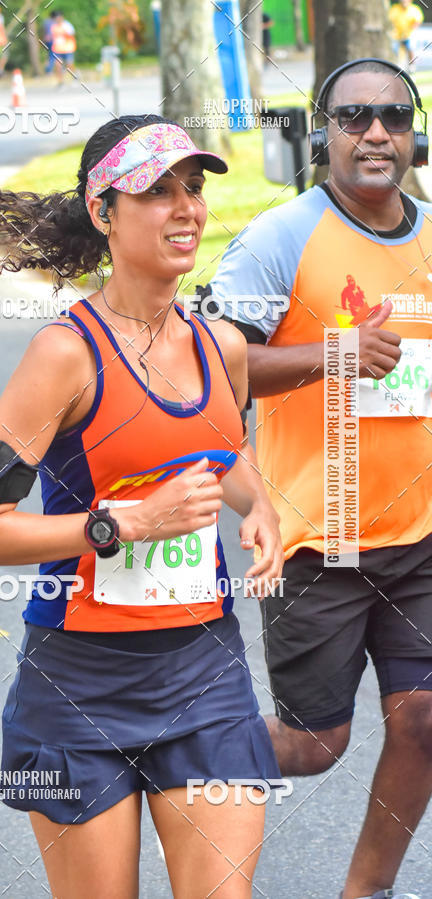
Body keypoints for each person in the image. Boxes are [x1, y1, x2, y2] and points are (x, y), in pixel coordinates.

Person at [0, 114, 284, 898]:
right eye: (156, 192)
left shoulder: (219, 345)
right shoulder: (64, 354)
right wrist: (121, 523)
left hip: (206, 676)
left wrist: (257, 505)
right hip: (77, 690)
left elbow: (222, 445)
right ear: (103, 212)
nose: (187, 208)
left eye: (192, 189)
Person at [208, 58, 432, 899]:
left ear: (412, 132)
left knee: (425, 720)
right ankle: (176, 755)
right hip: (319, 535)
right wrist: (331, 354)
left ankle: (361, 894)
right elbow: (213, 369)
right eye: (354, 117)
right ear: (321, 133)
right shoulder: (280, 236)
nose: (376, 132)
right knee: (314, 743)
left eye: (393, 116)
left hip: (421, 536)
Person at [389, 0, 424, 71]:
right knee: (395, 50)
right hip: (396, 35)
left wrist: (410, 29)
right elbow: (390, 21)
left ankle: (412, 67)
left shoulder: (414, 9)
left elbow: (417, 21)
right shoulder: (395, 9)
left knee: (410, 48)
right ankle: (396, 67)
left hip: (409, 34)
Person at [50, 11, 76, 86]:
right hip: (57, 49)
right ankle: (60, 82)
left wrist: (65, 34)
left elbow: (72, 34)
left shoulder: (67, 25)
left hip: (68, 48)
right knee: (58, 65)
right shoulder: (54, 26)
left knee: (69, 64)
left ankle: (74, 77)